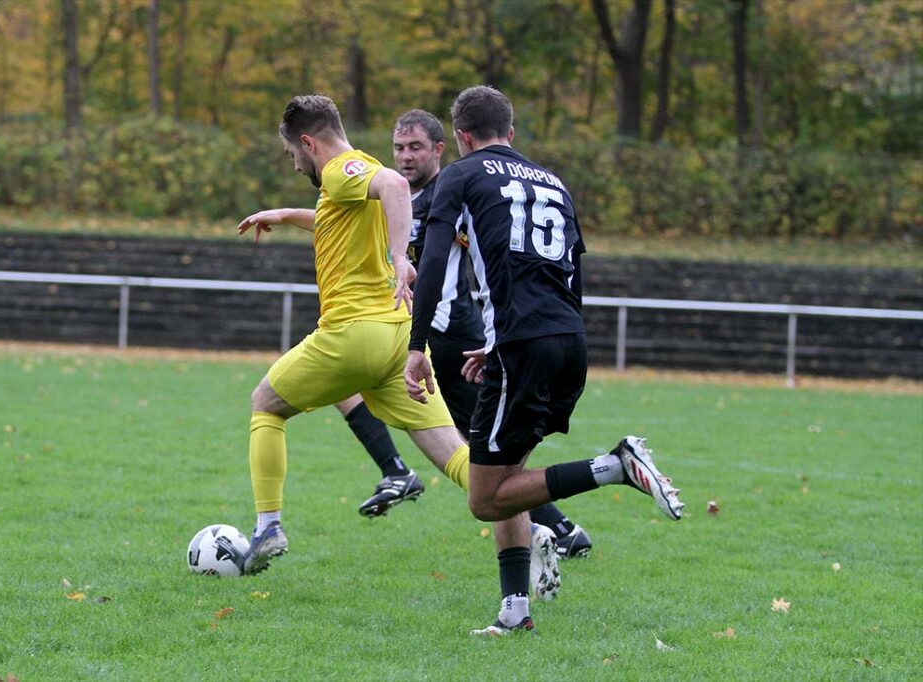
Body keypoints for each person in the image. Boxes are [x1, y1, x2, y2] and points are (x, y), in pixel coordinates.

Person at [231, 95, 559, 601]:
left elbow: (394, 184)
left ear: (306, 142)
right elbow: (338, 219)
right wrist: (283, 214)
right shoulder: (346, 182)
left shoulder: (346, 168)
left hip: (354, 334)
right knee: (460, 461)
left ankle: (268, 528)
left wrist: (398, 258)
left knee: (264, 406)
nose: (294, 165)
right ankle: (531, 528)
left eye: (292, 155)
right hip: (398, 341)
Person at [405, 86, 685, 636]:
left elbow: (434, 261)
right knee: (510, 475)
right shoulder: (553, 181)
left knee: (486, 499)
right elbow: (572, 271)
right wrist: (503, 342)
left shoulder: (461, 176)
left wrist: (417, 347)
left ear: (460, 137)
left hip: (523, 346)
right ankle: (514, 611)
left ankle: (614, 465)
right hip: (566, 339)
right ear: (511, 132)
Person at [349, 109, 593, 561]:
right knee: (479, 445)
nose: (404, 156)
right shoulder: (427, 195)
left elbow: (453, 249)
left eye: (415, 147)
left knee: (484, 456)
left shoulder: (455, 186)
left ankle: (559, 529)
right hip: (473, 333)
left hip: (446, 331)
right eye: (399, 148)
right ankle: (398, 473)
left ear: (446, 146)